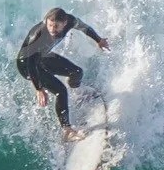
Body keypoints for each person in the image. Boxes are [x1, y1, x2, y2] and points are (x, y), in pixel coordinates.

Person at [16, 8, 111, 141]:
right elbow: (31, 63)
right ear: (45, 21)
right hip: (26, 65)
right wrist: (39, 89)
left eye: (56, 26)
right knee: (60, 91)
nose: (52, 29)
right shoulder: (37, 36)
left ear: (65, 23)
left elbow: (84, 28)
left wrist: (99, 40)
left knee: (77, 72)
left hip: (43, 57)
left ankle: (78, 92)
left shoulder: (71, 21)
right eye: (49, 25)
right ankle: (67, 131)